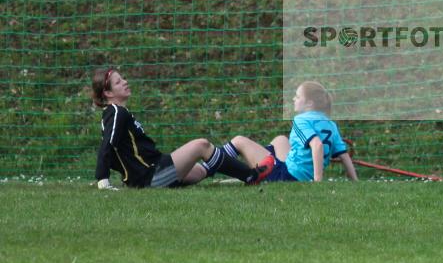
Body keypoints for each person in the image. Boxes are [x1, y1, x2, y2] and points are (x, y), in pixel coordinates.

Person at [91, 68, 274, 190]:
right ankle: (251, 176)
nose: (124, 81)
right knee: (201, 145)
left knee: (200, 171)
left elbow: (117, 152)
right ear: (107, 93)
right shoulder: (116, 112)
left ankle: (233, 152)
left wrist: (127, 177)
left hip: (152, 171)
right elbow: (108, 145)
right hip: (151, 177)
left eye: (122, 78)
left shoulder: (117, 113)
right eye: (117, 82)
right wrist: (103, 180)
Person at [222, 81, 357, 182]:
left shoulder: (301, 120)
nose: (294, 99)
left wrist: (317, 182)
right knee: (280, 140)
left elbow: (317, 145)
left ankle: (210, 166)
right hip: (296, 173)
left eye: (297, 97)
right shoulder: (331, 124)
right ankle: (254, 172)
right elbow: (344, 156)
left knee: (239, 141)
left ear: (309, 104)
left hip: (287, 176)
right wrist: (355, 181)